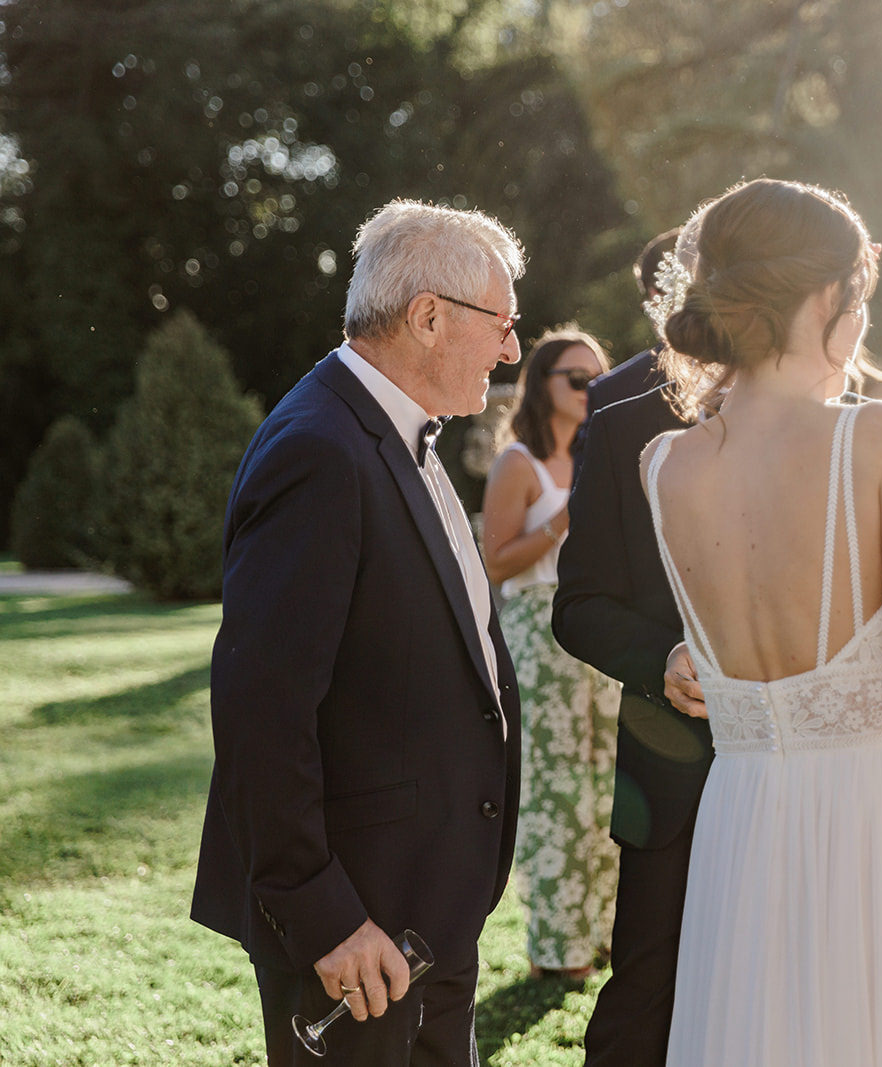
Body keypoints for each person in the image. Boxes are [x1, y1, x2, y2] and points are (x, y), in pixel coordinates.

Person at [643, 178, 882, 1066]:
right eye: (861, 298)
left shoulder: (664, 464)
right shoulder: (877, 435)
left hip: (744, 820)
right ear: (825, 297)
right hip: (880, 819)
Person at [191, 199, 525, 1065]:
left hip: (424, 911)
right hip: (358, 933)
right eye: (503, 322)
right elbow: (263, 707)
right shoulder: (322, 450)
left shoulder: (396, 432)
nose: (512, 347)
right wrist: (323, 914)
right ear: (427, 316)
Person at [550, 227, 714, 1066]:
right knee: (646, 994)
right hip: (676, 765)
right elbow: (578, 604)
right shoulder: (616, 411)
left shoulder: (849, 404)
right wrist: (664, 660)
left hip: (818, 772)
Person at [480, 326, 619, 982]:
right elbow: (496, 563)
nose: (591, 388)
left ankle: (610, 931)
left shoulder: (609, 452)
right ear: (544, 384)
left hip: (602, 639)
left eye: (598, 375)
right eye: (576, 377)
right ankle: (557, 949)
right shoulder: (519, 463)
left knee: (609, 788)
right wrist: (562, 521)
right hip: (540, 634)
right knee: (557, 793)